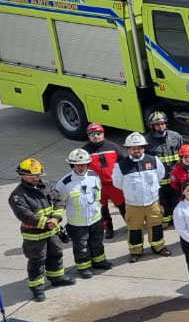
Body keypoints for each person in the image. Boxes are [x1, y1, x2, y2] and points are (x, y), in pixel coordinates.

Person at [10, 158, 74, 302]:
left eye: (38, 175)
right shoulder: (17, 196)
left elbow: (59, 200)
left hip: (52, 231)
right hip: (34, 236)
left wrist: (56, 218)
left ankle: (57, 278)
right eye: (32, 175)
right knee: (37, 261)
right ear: (22, 175)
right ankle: (37, 288)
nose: (36, 178)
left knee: (56, 254)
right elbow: (26, 215)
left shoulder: (46, 185)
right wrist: (47, 222)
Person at [113, 132, 171, 261]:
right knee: (134, 228)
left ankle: (158, 247)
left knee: (156, 225)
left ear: (143, 148)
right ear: (128, 149)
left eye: (139, 147)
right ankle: (136, 251)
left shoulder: (153, 160)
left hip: (152, 202)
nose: (137, 151)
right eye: (133, 148)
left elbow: (160, 175)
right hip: (133, 204)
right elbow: (117, 183)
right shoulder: (121, 166)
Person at [55, 149, 112, 279]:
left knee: (97, 242)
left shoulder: (94, 176)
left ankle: (99, 261)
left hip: (95, 219)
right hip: (77, 224)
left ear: (88, 164)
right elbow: (58, 203)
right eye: (77, 165)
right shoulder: (64, 183)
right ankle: (83, 267)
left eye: (83, 165)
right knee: (81, 247)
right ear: (72, 166)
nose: (81, 168)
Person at [82, 122, 124, 239]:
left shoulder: (113, 147)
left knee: (122, 206)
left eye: (98, 133)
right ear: (88, 135)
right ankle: (108, 229)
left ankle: (130, 224)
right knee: (102, 209)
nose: (96, 136)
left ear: (103, 133)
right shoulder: (84, 151)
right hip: (97, 186)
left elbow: (123, 162)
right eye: (92, 134)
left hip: (113, 184)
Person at [144, 111, 183, 228]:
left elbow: (182, 155)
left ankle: (177, 219)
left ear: (166, 124)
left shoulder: (176, 137)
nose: (160, 126)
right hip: (158, 179)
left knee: (176, 199)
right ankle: (165, 220)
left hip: (174, 177)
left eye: (162, 124)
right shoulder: (147, 141)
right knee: (162, 201)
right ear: (152, 126)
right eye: (157, 124)